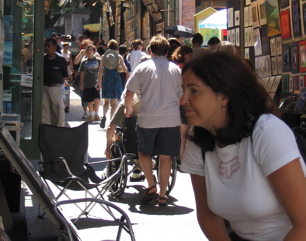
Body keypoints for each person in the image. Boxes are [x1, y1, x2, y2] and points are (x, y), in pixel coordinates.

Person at [180, 51, 306, 241]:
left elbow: (303, 224)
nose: (183, 100)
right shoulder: (199, 138)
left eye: (193, 91)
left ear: (223, 97)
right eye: (183, 90)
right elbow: (207, 215)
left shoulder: (267, 132)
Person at [125, 35, 182, 206]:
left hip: (148, 118)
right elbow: (181, 94)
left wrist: (128, 109)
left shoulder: (143, 68)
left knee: (144, 152)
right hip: (171, 119)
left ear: (150, 51)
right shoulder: (176, 69)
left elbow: (129, 92)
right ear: (167, 51)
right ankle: (163, 194)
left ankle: (151, 184)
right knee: (166, 157)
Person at [98, 39, 128, 128]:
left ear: (108, 47)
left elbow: (100, 70)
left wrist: (99, 81)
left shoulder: (104, 57)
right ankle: (111, 122)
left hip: (107, 79)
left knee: (106, 102)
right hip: (116, 80)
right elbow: (125, 70)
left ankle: (104, 116)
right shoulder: (119, 57)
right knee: (114, 102)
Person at [42, 38, 68, 127]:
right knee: (44, 113)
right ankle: (46, 132)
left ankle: (58, 132)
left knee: (58, 112)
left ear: (54, 47)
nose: (46, 48)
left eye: (48, 46)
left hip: (56, 88)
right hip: (44, 88)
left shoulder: (61, 60)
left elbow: (65, 76)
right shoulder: (42, 60)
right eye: (45, 46)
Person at [79, 44, 101, 123]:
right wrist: (81, 83)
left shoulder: (98, 60)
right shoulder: (84, 62)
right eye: (87, 50)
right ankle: (91, 114)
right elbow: (82, 73)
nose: (89, 51)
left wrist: (99, 81)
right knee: (88, 99)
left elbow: (101, 71)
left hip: (96, 83)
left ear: (94, 51)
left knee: (96, 98)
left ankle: (96, 114)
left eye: (90, 50)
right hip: (87, 83)